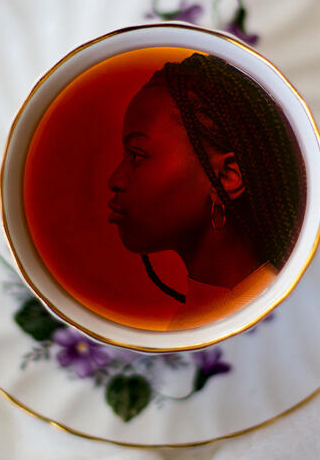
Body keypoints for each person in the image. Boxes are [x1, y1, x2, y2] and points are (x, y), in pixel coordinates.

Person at [107, 52, 306, 330]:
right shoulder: (195, 320)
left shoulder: (279, 317)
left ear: (226, 176)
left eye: (138, 155)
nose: (115, 179)